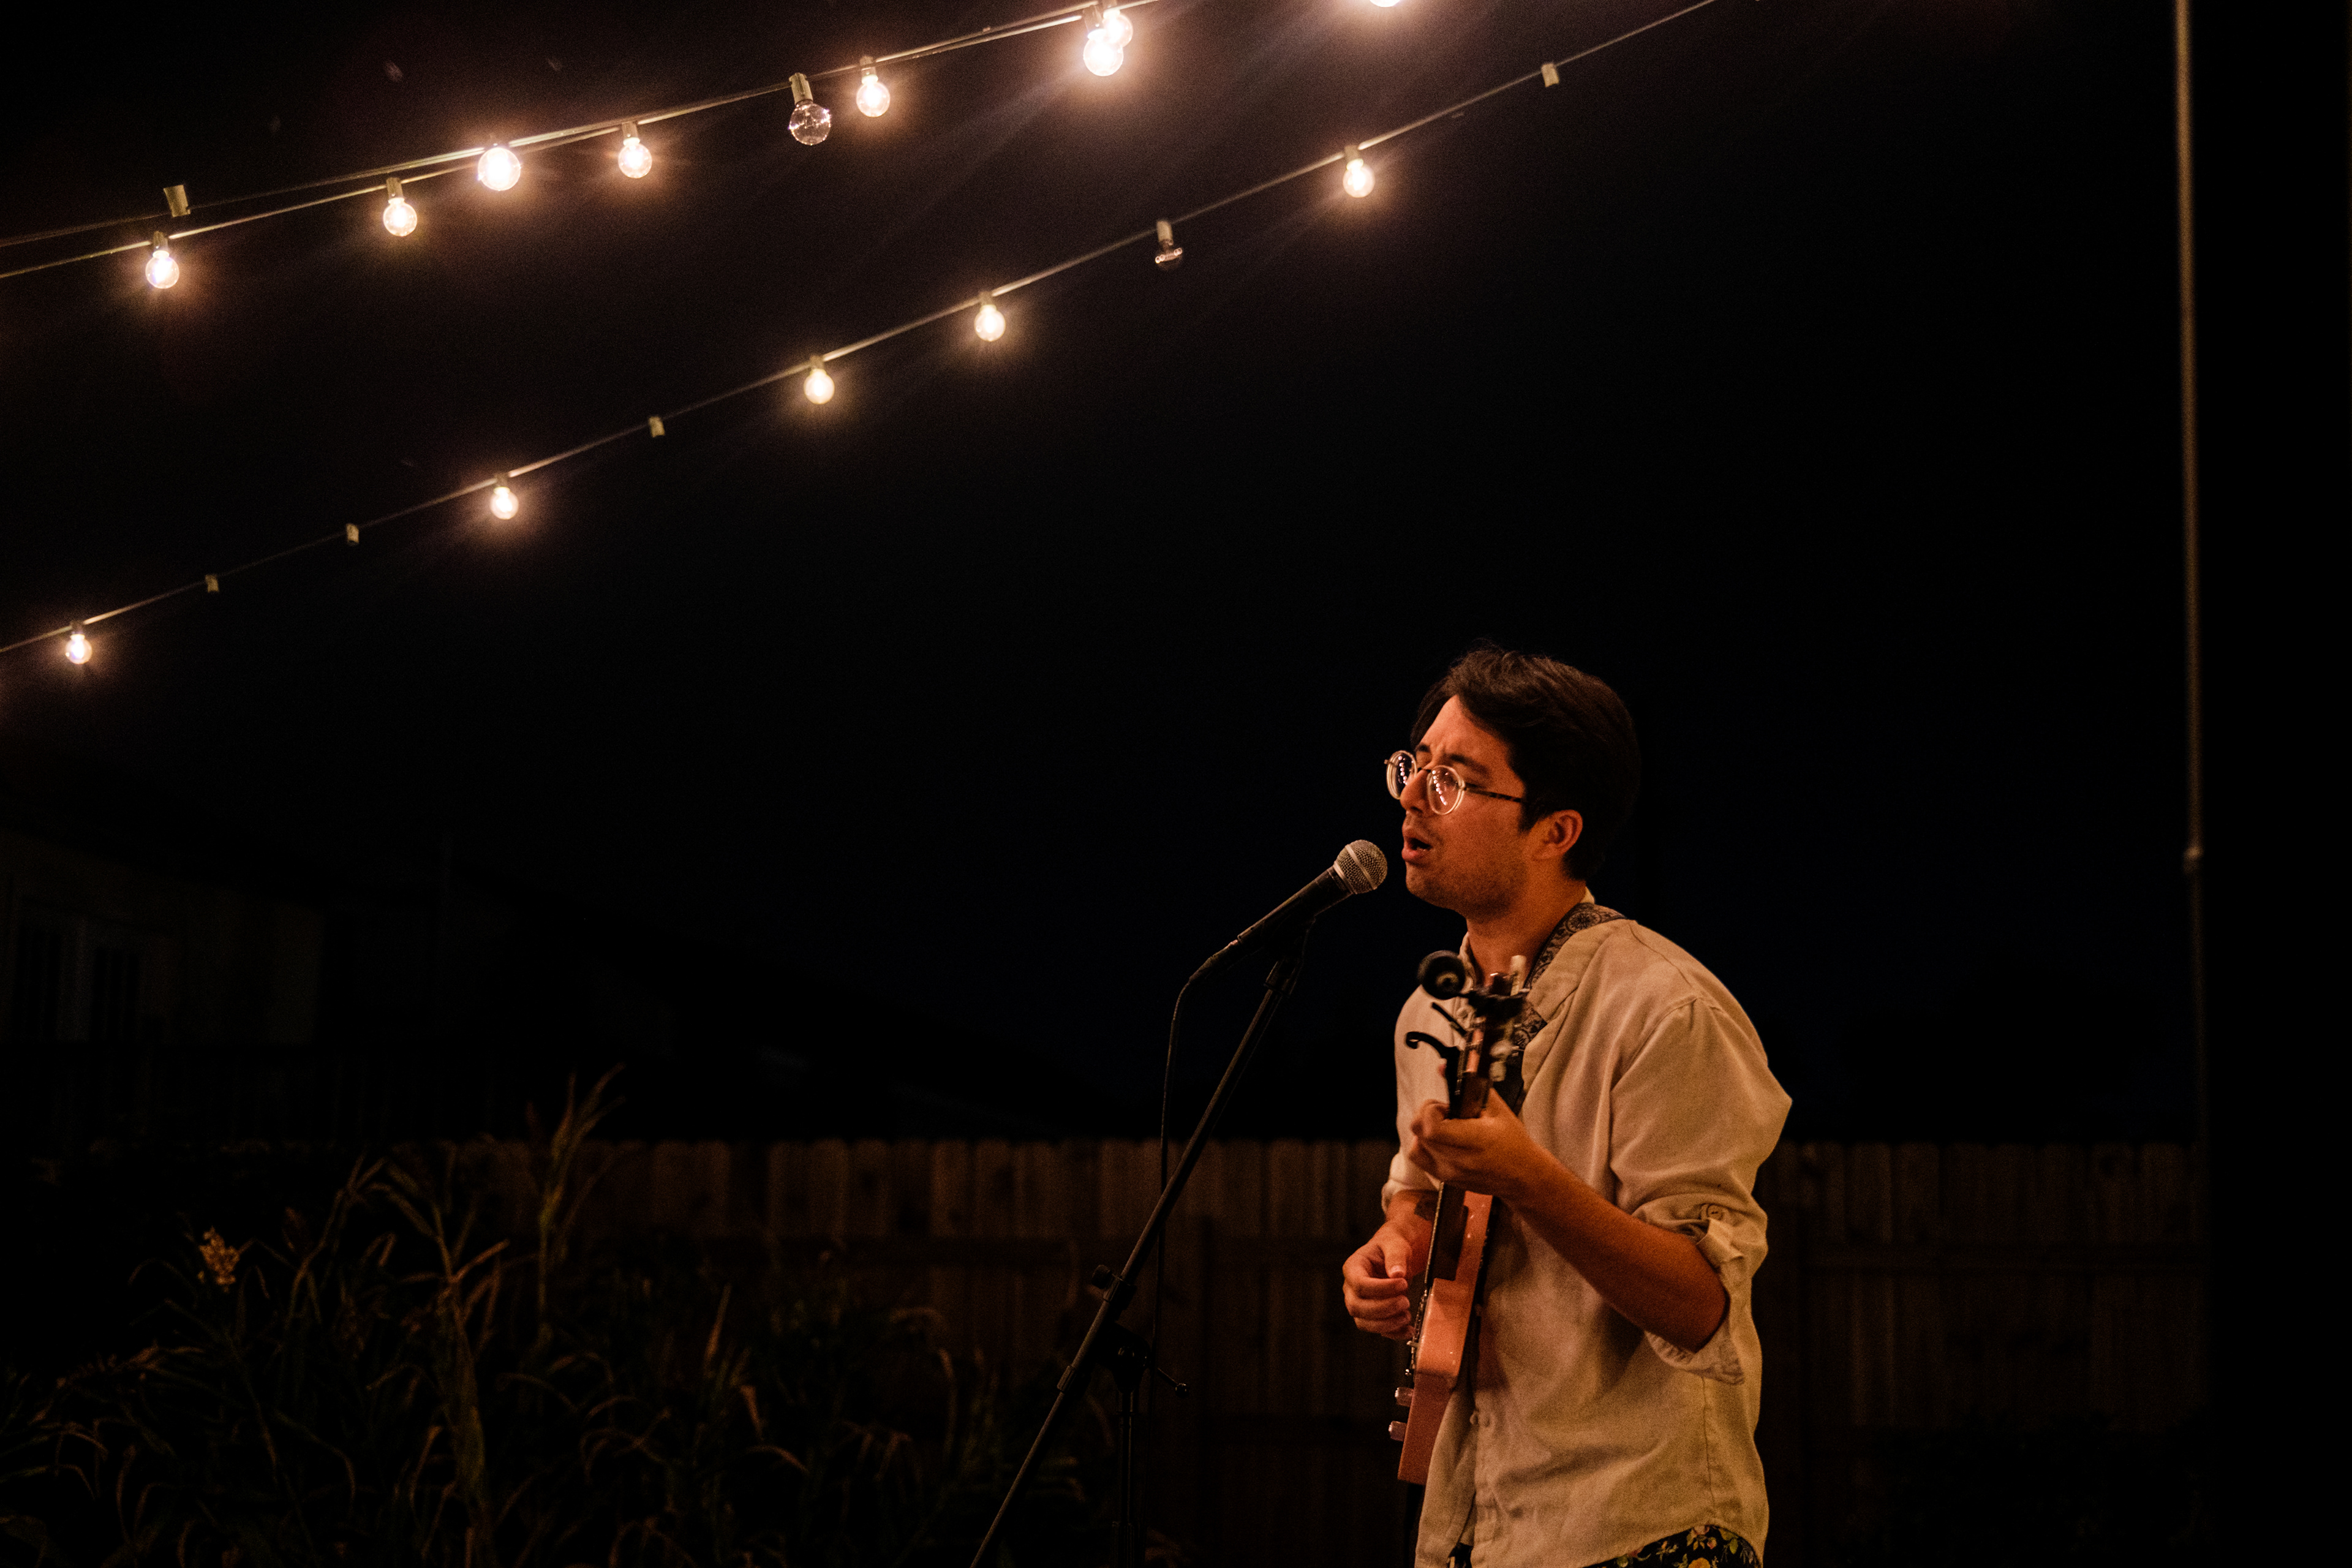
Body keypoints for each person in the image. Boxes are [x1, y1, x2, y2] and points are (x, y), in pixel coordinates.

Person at [1338, 645, 1790, 1568]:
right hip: (1474, 1517)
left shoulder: (1668, 1010)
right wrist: (1393, 1250)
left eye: (1454, 780)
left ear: (1555, 831)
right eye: (1414, 766)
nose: (1412, 797)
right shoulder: (1430, 1011)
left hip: (1644, 1525)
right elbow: (1418, 1196)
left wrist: (1531, 1180)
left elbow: (1703, 1307)